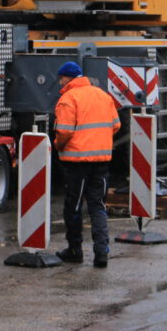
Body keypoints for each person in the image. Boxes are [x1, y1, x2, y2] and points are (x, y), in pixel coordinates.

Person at [53, 60, 120, 267]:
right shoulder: (103, 96)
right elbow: (116, 125)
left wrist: (57, 145)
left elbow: (63, 131)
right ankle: (101, 253)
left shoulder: (68, 98)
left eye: (61, 79)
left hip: (76, 162)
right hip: (101, 162)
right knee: (97, 206)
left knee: (73, 207)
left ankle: (75, 250)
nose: (60, 83)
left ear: (68, 78)